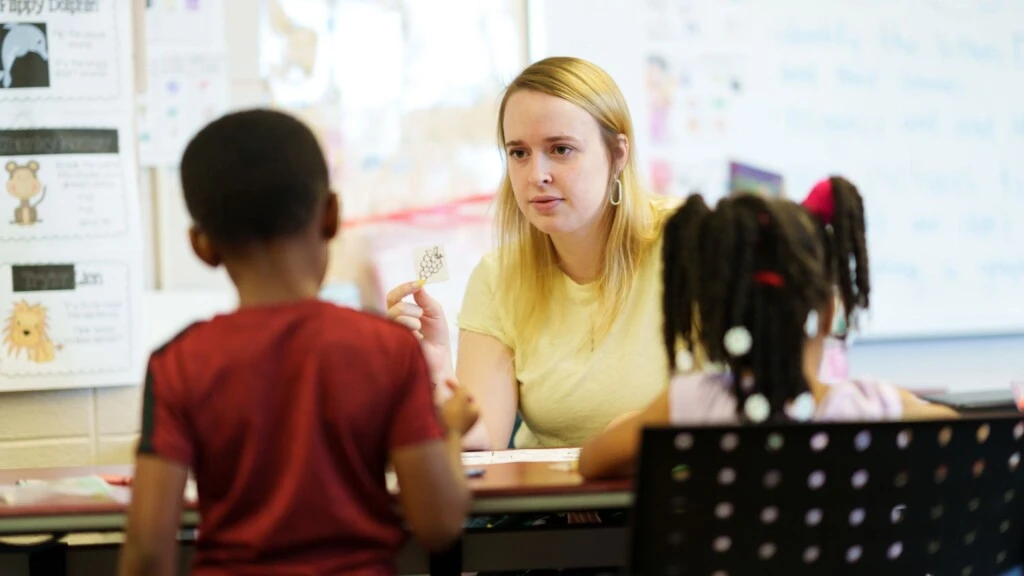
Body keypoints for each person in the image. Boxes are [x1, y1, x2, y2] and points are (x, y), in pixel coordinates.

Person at [119, 109, 477, 576]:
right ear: (330, 215)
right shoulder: (386, 348)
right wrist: (448, 431)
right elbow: (439, 523)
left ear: (201, 246)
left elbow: (147, 552)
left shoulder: (178, 363)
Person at [386, 56, 680, 450]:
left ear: (618, 154)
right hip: (549, 507)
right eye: (519, 153)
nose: (536, 175)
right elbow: (483, 443)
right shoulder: (497, 277)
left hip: (675, 497)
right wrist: (434, 377)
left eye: (560, 149)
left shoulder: (685, 243)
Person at [577, 192, 957, 479]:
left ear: (714, 317)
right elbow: (974, 441)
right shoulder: (874, 407)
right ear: (828, 314)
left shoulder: (691, 404)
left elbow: (591, 462)